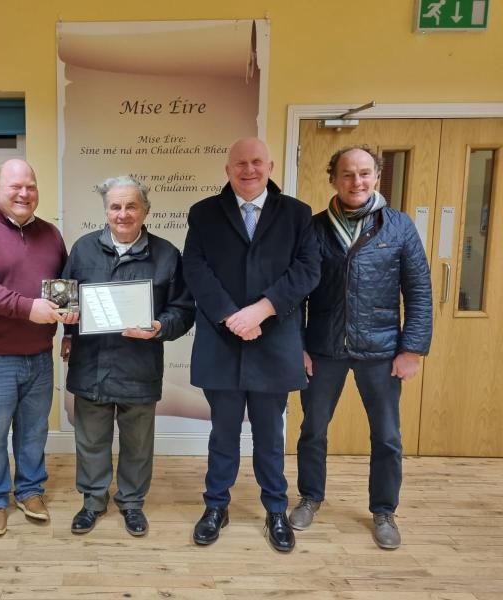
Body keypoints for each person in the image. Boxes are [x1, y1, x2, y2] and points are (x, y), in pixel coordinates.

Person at [290, 145, 432, 550]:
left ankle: (384, 511)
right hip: (323, 348)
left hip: (383, 350)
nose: (357, 182)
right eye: (348, 174)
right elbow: (296, 295)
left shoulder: (399, 227)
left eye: (365, 174)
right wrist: (298, 347)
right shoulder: (313, 229)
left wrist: (413, 349)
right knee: (313, 430)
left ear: (377, 176)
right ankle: (309, 498)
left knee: (387, 436)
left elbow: (419, 292)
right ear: (333, 178)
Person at [182, 137, 320, 552]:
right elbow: (195, 268)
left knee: (269, 434)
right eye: (240, 162)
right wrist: (231, 315)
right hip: (222, 340)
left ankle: (275, 510)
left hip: (274, 340)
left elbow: (308, 270)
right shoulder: (203, 214)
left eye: (257, 162)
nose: (249, 169)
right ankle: (216, 507)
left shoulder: (297, 214)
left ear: (270, 166)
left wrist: (261, 310)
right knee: (222, 434)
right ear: (227, 169)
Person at [61, 176, 195, 536]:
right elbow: (66, 300)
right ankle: (92, 501)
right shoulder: (83, 249)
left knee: (137, 444)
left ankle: (133, 503)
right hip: (91, 363)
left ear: (145, 210)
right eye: (115, 206)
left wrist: (161, 326)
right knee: (90, 439)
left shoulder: (167, 254)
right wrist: (67, 329)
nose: (123, 214)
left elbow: (183, 309)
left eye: (131, 206)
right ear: (106, 211)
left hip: (139, 365)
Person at [0, 159, 76, 537]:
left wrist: (70, 329)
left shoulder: (52, 235)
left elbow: (65, 287)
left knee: (34, 430)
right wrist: (27, 309)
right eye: (15, 186)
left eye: (31, 187)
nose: (24, 193)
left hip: (40, 355)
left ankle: (30, 490)